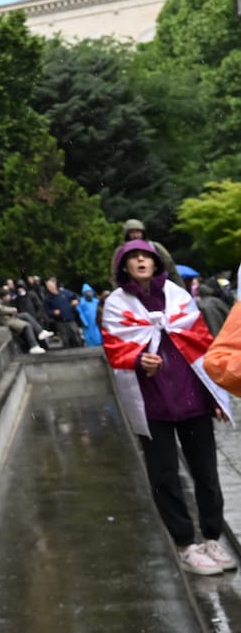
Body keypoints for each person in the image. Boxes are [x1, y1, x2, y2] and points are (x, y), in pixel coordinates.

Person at [102, 241, 236, 576]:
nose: (141, 261)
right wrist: (136, 358)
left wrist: (214, 397)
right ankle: (185, 544)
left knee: (206, 471)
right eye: (133, 257)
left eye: (145, 255)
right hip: (153, 405)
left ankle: (211, 537)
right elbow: (114, 346)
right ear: (124, 267)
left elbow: (202, 345)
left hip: (192, 400)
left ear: (157, 262)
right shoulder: (116, 304)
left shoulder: (178, 296)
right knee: (164, 476)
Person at [113, 219, 185, 290]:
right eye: (132, 232)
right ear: (127, 234)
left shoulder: (155, 247)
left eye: (138, 231)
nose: (135, 235)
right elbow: (115, 273)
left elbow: (171, 269)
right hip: (131, 289)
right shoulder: (121, 250)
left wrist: (181, 289)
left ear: (143, 232)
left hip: (158, 287)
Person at [0, 279, 45, 354]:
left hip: (6, 316)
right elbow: (0, 309)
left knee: (25, 315)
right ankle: (33, 345)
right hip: (3, 318)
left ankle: (40, 331)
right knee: (27, 325)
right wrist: (11, 310)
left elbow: (1, 305)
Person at [44, 276, 83, 348]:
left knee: (76, 337)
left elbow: (76, 296)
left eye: (51, 285)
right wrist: (53, 312)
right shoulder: (47, 298)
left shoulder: (65, 292)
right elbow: (47, 311)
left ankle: (80, 347)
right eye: (48, 286)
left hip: (71, 319)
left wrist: (76, 300)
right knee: (65, 340)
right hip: (60, 322)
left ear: (55, 284)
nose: (50, 288)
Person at [77, 283, 103, 348]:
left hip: (97, 320)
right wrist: (84, 321)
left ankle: (100, 342)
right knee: (89, 334)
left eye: (90, 291)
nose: (89, 293)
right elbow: (80, 312)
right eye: (87, 292)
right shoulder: (81, 302)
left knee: (98, 333)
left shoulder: (96, 301)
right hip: (88, 322)